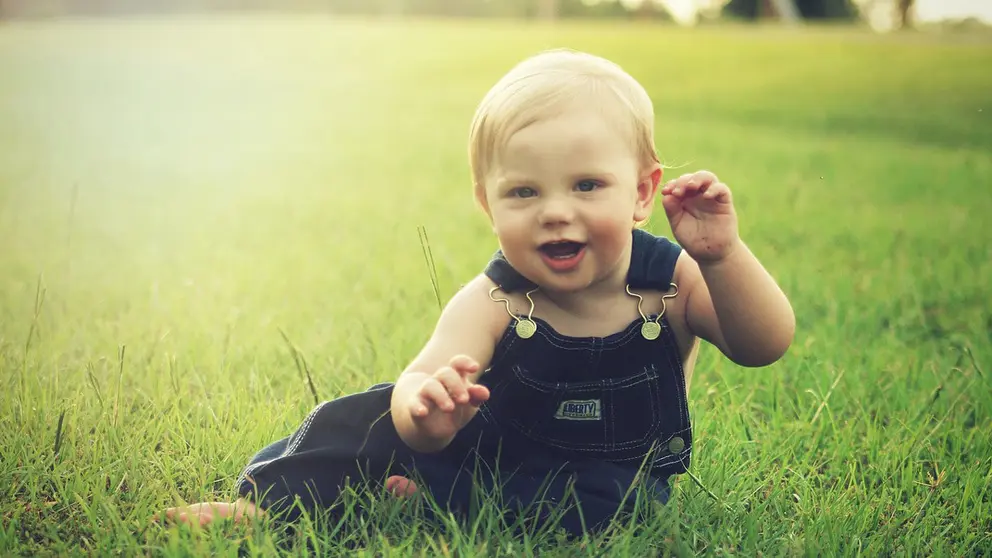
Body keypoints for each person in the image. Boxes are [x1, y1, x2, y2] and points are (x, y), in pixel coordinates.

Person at [159, 48, 795, 536]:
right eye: (524, 192)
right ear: (486, 204)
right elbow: (422, 377)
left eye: (586, 185)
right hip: (485, 452)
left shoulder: (675, 281)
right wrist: (426, 413)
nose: (554, 211)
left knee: (617, 507)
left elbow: (762, 344)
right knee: (364, 418)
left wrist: (724, 257)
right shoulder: (495, 300)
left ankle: (426, 502)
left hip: (605, 479)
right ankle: (264, 505)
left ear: (641, 193)